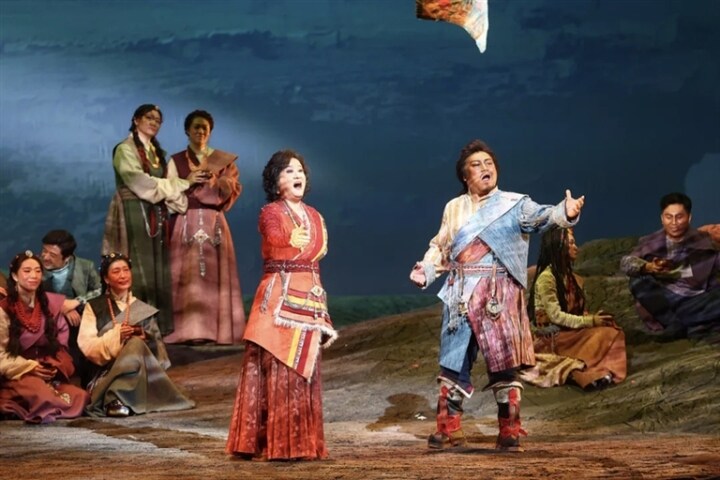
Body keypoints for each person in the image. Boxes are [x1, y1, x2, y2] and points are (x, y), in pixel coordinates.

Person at [409, 139, 585, 451]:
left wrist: (564, 212)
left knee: (504, 363)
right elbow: (441, 246)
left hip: (497, 294)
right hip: (460, 293)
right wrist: (427, 269)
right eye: (476, 165)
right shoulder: (454, 208)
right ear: (465, 176)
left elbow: (543, 217)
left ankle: (509, 430)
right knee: (453, 361)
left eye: (489, 163)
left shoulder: (514, 204)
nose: (485, 168)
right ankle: (448, 428)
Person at [226, 149, 337, 461]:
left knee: (304, 370)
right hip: (278, 295)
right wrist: (290, 240)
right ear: (276, 182)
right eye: (288, 171)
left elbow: (318, 251)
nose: (297, 175)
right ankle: (272, 444)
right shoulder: (270, 212)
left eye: (299, 170)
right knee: (277, 366)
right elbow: (274, 238)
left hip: (309, 294)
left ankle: (302, 444)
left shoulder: (315, 216)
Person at [101, 104, 209, 335]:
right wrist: (184, 183)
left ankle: (155, 328)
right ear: (136, 120)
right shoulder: (125, 149)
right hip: (134, 212)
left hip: (156, 214)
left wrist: (182, 196)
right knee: (139, 269)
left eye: (158, 120)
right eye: (149, 118)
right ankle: (132, 328)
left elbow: (163, 185)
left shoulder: (156, 153)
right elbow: (140, 182)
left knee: (157, 270)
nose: (154, 123)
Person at [163, 110, 246, 345]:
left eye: (205, 128)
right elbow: (168, 190)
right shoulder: (176, 161)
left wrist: (213, 182)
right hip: (185, 220)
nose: (200, 131)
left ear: (210, 132)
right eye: (196, 127)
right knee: (185, 275)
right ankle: (186, 331)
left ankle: (218, 332)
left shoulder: (223, 161)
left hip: (214, 222)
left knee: (214, 275)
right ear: (187, 131)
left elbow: (232, 187)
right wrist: (187, 181)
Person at [78, 253, 195, 417]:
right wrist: (117, 335)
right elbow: (88, 346)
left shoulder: (142, 309)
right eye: (116, 271)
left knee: (136, 343)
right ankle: (116, 394)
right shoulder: (94, 307)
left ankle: (115, 398)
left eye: (126, 270)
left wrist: (144, 342)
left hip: (140, 371)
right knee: (134, 343)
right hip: (104, 372)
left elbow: (160, 357)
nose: (123, 275)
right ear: (106, 279)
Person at [523, 228, 627, 389]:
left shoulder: (571, 277)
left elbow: (575, 311)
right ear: (559, 247)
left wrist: (593, 317)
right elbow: (556, 316)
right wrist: (590, 321)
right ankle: (591, 373)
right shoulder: (547, 278)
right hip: (553, 338)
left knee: (612, 330)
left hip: (569, 332)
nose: (575, 247)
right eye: (571, 243)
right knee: (607, 335)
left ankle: (601, 371)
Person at [0, 251, 89, 423]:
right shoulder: (4, 309)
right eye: (27, 271)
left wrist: (53, 366)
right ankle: (12, 398)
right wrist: (30, 367)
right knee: (43, 397)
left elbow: (61, 346)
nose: (33, 275)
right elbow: (1, 355)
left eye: (38, 271)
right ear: (15, 276)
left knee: (81, 396)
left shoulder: (51, 305)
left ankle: (26, 402)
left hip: (46, 371)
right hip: (20, 372)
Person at [620, 192, 720, 338]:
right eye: (669, 217)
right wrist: (648, 267)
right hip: (666, 301)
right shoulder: (650, 241)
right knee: (638, 280)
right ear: (662, 218)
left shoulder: (703, 239)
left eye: (679, 217)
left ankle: (690, 324)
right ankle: (678, 324)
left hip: (697, 299)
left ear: (689, 217)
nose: (674, 223)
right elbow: (626, 263)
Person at [40, 229, 102, 385]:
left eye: (52, 255)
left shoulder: (85, 266)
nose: (45, 257)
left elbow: (100, 289)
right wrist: (60, 305)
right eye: (44, 251)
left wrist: (77, 301)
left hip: (82, 321)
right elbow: (32, 292)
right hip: (49, 322)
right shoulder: (36, 267)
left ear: (67, 257)